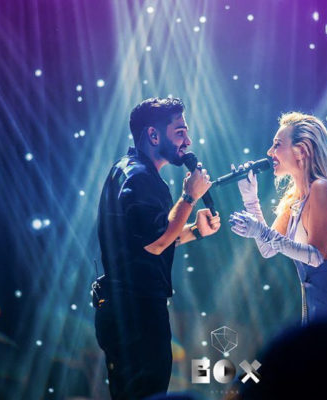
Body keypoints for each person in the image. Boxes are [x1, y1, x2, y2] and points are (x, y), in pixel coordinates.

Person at [94, 97, 221, 400]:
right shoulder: (139, 177)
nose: (188, 142)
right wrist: (189, 197)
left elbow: (147, 240)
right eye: (180, 132)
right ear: (153, 135)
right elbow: (156, 242)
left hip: (127, 308)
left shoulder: (131, 171)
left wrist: (194, 231)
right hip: (136, 311)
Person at [229, 112, 327, 324]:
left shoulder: (322, 188)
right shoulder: (294, 200)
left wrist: (260, 230)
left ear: (301, 150)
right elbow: (267, 249)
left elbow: (316, 256)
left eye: (277, 145)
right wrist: (250, 199)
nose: (269, 152)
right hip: (317, 304)